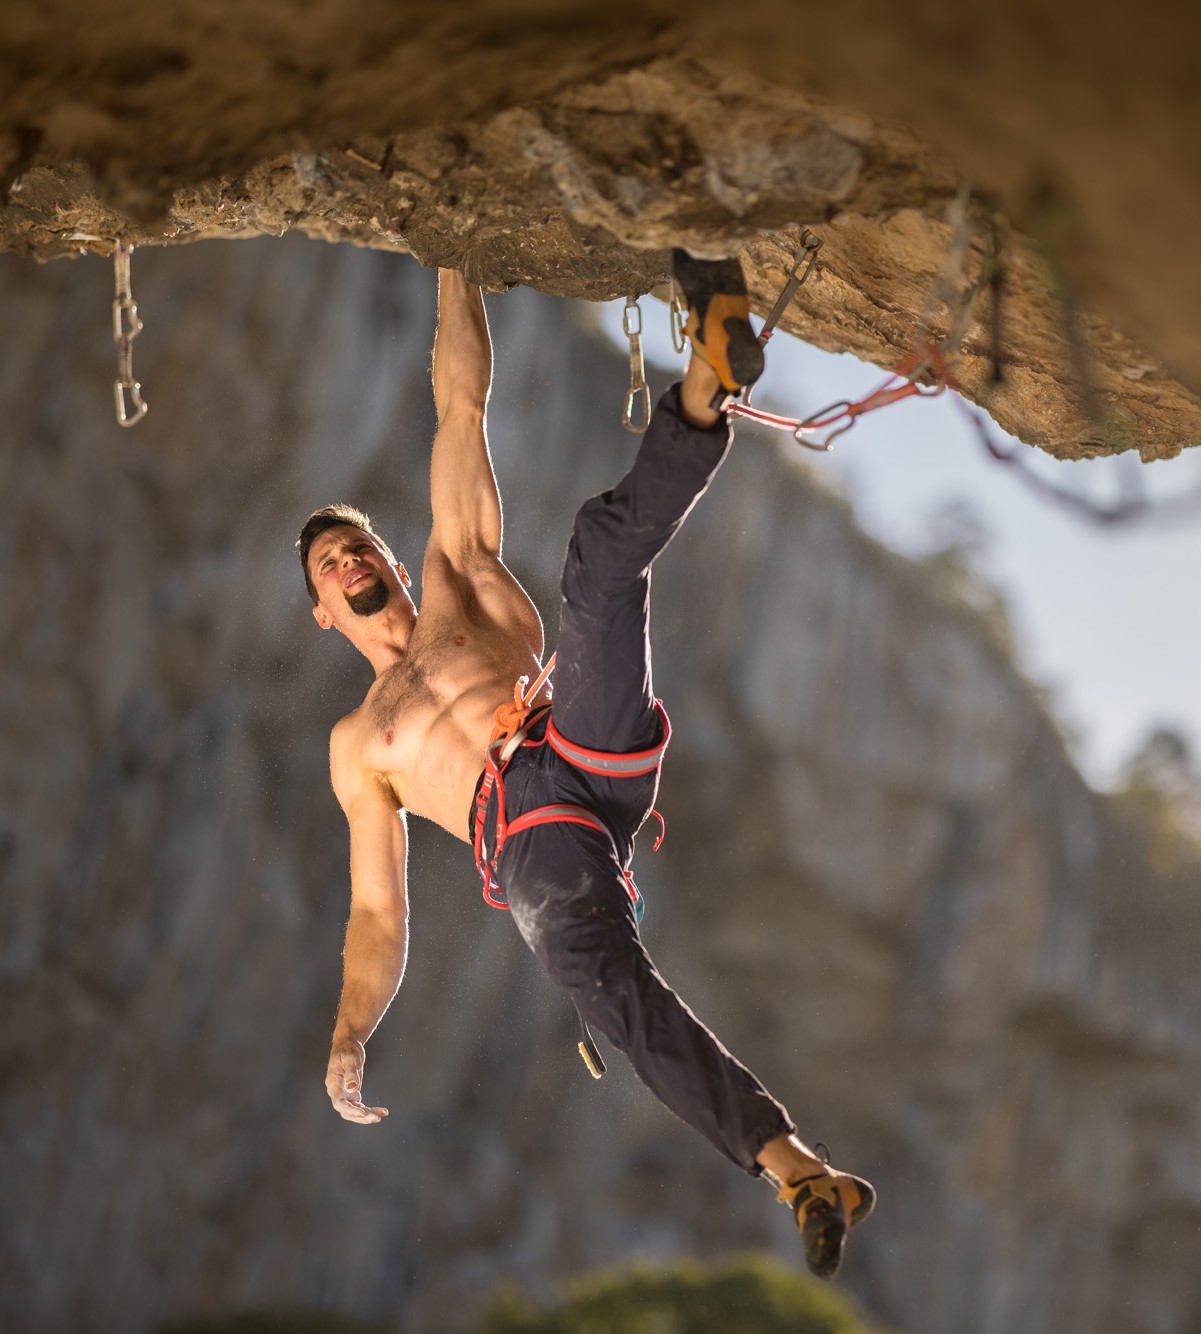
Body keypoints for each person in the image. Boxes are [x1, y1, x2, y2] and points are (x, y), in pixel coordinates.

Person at [295, 256, 873, 1278]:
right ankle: (798, 1169)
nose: (348, 559)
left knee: (599, 557)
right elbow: (378, 915)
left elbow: (460, 401)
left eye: (357, 544)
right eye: (328, 564)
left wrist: (452, 259)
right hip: (535, 844)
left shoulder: (457, 578)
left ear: (387, 559)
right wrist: (350, 1026)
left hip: (579, 744)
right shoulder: (357, 746)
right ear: (323, 610)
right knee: (611, 993)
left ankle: (707, 376)